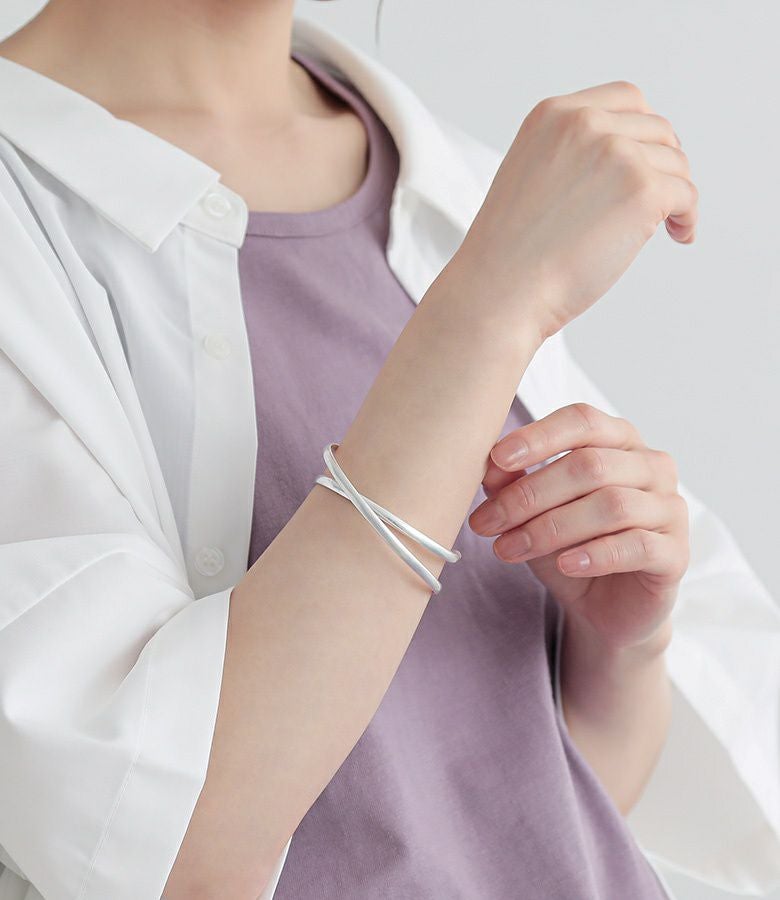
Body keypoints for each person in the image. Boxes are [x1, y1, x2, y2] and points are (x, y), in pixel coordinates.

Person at [0, 2, 777, 899]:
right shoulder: (506, 246)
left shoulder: (462, 182)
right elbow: (162, 844)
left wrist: (620, 654)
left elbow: (531, 802)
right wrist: (488, 304)